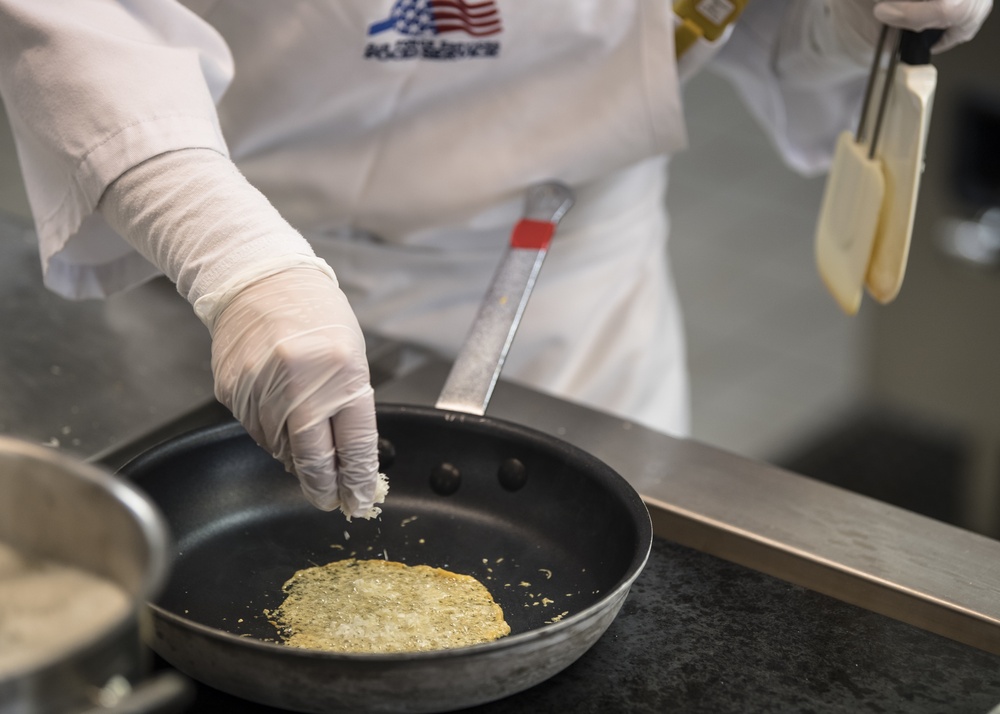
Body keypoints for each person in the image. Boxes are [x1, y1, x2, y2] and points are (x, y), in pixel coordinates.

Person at [0, 0, 990, 517]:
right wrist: (231, 256)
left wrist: (853, 19)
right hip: (220, 269)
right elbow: (87, 15)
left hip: (570, 296)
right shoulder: (226, 259)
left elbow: (757, 21)